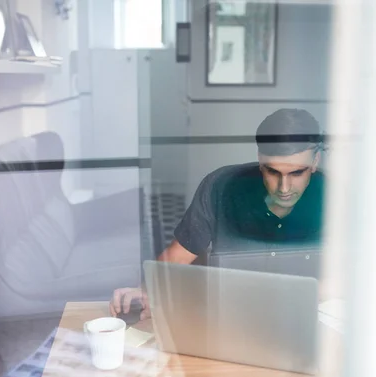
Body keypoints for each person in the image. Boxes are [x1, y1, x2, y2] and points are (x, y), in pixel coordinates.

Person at [110, 108, 326, 320]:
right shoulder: (220, 186)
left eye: (297, 173)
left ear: (315, 162)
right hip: (231, 320)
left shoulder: (336, 198)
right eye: (273, 172)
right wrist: (146, 289)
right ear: (260, 159)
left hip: (306, 320)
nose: (284, 188)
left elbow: (348, 279)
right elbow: (178, 255)